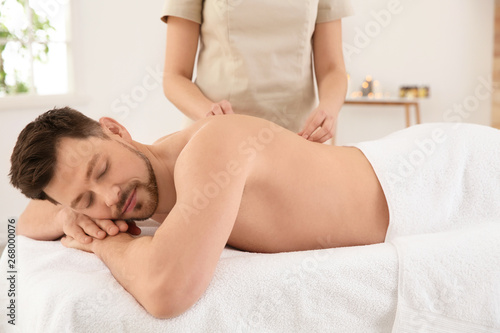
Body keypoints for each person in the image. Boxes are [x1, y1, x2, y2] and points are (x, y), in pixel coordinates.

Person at [10, 107, 500, 318]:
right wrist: (69, 216)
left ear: (114, 129)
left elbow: (167, 291)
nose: (110, 198)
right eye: (85, 200)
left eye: (100, 170)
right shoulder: (138, 188)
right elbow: (28, 221)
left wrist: (107, 241)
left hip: (443, 175)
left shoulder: (207, 150)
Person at [161, 0, 353, 143]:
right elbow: (174, 75)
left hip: (299, 139)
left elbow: (332, 69)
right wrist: (208, 113)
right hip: (219, 138)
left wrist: (328, 108)